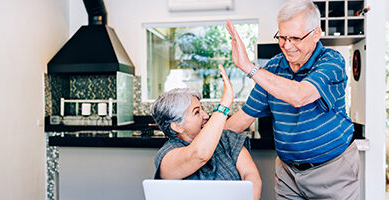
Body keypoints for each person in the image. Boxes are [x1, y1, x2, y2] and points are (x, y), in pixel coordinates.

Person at [224, 0, 360, 199]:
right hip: (288, 173)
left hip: (333, 171)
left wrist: (249, 67)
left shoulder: (332, 61)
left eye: (295, 38)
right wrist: (201, 142)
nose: (287, 46)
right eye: (282, 37)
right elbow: (245, 116)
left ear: (316, 34)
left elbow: (300, 95)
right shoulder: (273, 68)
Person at [151, 65, 262, 200]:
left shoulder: (226, 138)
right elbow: (198, 155)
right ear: (177, 126)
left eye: (202, 109)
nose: (205, 115)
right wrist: (224, 104)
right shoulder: (167, 156)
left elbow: (251, 175)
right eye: (197, 112)